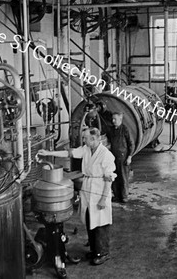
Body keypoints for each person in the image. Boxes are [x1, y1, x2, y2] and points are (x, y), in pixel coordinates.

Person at [37, 128, 116, 265]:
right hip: (88, 187)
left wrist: (103, 198)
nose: (83, 140)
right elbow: (69, 153)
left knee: (101, 223)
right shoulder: (86, 149)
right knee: (90, 220)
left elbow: (109, 179)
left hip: (100, 188)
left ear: (93, 139)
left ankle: (103, 253)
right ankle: (94, 250)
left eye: (85, 138)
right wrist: (48, 153)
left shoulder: (106, 155)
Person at [107, 112, 134, 203]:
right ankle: (117, 196)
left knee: (123, 177)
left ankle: (124, 196)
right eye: (112, 119)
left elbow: (131, 144)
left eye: (115, 119)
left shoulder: (125, 129)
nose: (113, 121)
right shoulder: (111, 130)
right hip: (113, 157)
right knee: (114, 177)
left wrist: (129, 157)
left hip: (122, 157)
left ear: (120, 119)